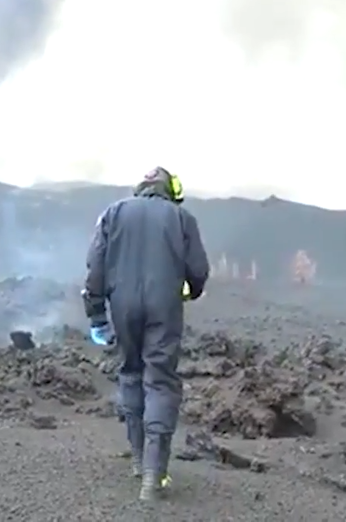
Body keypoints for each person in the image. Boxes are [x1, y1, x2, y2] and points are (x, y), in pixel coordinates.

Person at [82, 166, 210, 501]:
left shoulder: (114, 212)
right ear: (171, 190)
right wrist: (188, 291)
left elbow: (95, 266)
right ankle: (154, 474)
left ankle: (139, 460)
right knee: (160, 380)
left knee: (130, 373)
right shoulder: (182, 219)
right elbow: (199, 270)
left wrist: (96, 316)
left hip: (122, 305)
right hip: (163, 307)